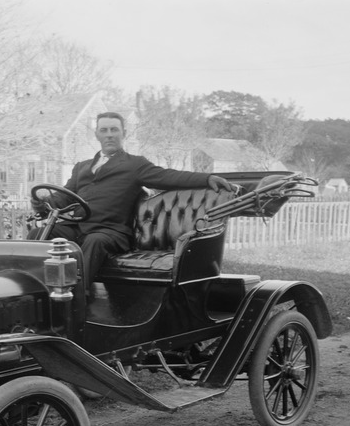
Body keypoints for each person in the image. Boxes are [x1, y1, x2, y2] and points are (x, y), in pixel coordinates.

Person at [31, 112, 236, 296]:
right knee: (38, 235)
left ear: (123, 133)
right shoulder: (81, 167)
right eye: (104, 130)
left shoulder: (134, 165)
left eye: (114, 130)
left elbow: (168, 176)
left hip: (110, 232)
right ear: (97, 135)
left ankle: (74, 301)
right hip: (77, 227)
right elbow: (63, 199)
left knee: (94, 242)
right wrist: (40, 201)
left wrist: (206, 178)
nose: (109, 134)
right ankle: (34, 291)